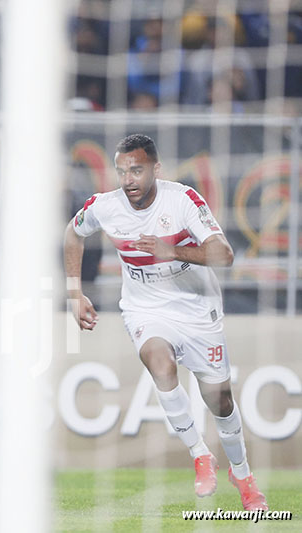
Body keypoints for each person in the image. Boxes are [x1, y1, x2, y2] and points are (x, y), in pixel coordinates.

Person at [63, 134, 268, 512]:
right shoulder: (104, 206)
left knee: (220, 401)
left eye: (137, 170)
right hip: (147, 309)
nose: (129, 180)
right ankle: (200, 455)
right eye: (122, 171)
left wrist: (169, 249)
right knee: (158, 360)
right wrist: (75, 292)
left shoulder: (183, 199)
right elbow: (73, 233)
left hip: (196, 309)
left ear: (156, 169)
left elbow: (225, 254)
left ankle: (242, 474)